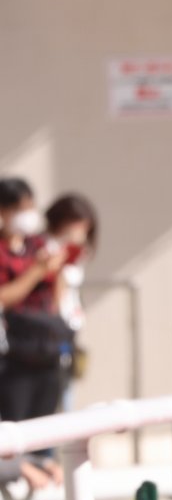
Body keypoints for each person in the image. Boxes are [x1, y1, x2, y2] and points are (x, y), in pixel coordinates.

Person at [0, 177, 71, 474]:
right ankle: (16, 475)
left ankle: (42, 471)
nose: (29, 214)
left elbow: (58, 293)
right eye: (21, 208)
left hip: (46, 348)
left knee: (46, 425)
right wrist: (37, 271)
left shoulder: (38, 245)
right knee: (16, 423)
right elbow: (4, 296)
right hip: (13, 355)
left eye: (31, 206)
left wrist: (57, 269)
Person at [44, 193, 98, 408]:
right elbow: (54, 296)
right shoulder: (47, 249)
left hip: (69, 331)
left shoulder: (76, 254)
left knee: (65, 399)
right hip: (49, 334)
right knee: (53, 404)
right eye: (78, 225)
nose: (81, 233)